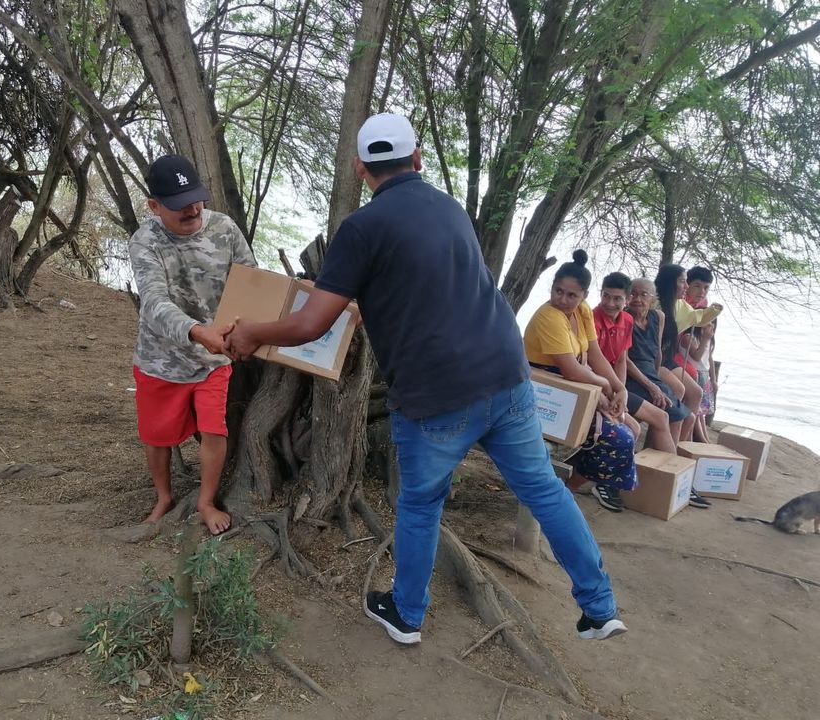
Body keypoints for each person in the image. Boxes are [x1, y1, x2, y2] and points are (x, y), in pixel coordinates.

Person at [224, 113, 627, 644]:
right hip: (507, 377)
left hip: (436, 394)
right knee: (544, 489)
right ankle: (599, 608)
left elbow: (310, 324)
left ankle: (407, 613)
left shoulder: (361, 228)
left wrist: (251, 332)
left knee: (419, 504)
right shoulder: (450, 208)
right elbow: (443, 286)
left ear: (361, 169)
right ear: (416, 159)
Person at [129, 154, 256, 533]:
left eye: (196, 199)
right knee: (156, 435)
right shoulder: (145, 241)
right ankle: (163, 496)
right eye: (179, 204)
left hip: (214, 359)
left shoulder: (224, 228)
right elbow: (154, 303)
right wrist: (200, 332)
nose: (192, 209)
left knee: (214, 430)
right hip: (161, 360)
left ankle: (205, 501)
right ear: (154, 206)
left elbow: (251, 279)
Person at [523, 253, 637, 513]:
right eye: (558, 291)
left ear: (584, 296)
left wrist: (619, 388)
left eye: (571, 295)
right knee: (619, 438)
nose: (562, 299)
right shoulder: (549, 316)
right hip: (548, 390)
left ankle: (564, 489)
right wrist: (602, 387)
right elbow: (571, 370)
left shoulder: (582, 311)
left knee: (631, 427)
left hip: (575, 387)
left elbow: (594, 354)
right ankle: (563, 492)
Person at [625, 278, 710, 509]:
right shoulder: (625, 318)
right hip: (632, 377)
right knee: (667, 411)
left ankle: (666, 472)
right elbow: (626, 361)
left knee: (684, 415)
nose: (637, 299)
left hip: (650, 374)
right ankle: (674, 476)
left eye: (643, 295)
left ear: (653, 299)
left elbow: (657, 355)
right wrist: (652, 386)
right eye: (633, 294)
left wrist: (658, 381)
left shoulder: (658, 317)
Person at [593, 272, 677, 453]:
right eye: (606, 296)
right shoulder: (593, 319)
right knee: (632, 428)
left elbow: (621, 360)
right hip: (597, 384)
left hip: (615, 385)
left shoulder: (627, 320)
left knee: (663, 416)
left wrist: (620, 391)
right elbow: (593, 361)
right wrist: (615, 392)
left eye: (617, 298)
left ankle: (672, 469)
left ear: (627, 299)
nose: (610, 303)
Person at [654, 264, 722, 443]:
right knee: (679, 390)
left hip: (666, 360)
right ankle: (663, 440)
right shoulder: (654, 304)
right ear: (670, 283)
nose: (686, 286)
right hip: (653, 360)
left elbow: (699, 318)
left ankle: (680, 444)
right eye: (683, 282)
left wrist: (714, 310)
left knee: (696, 392)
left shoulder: (681, 306)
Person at [684, 266, 719, 430]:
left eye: (706, 288)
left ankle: (697, 434)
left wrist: (714, 379)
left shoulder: (703, 305)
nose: (702, 291)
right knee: (694, 381)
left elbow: (708, 354)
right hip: (682, 348)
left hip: (695, 351)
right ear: (687, 285)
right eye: (697, 286)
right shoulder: (682, 303)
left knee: (700, 410)